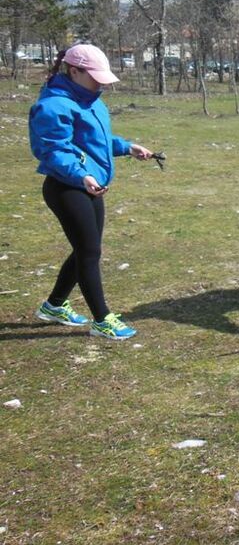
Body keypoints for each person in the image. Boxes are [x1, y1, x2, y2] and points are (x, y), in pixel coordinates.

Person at [28, 44, 154, 340]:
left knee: (86, 248)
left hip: (90, 186)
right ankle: (102, 320)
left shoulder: (90, 100)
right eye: (95, 76)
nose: (101, 83)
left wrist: (126, 147)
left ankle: (54, 305)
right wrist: (81, 174)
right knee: (89, 251)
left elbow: (95, 141)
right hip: (66, 187)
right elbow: (53, 150)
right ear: (74, 71)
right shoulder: (53, 106)